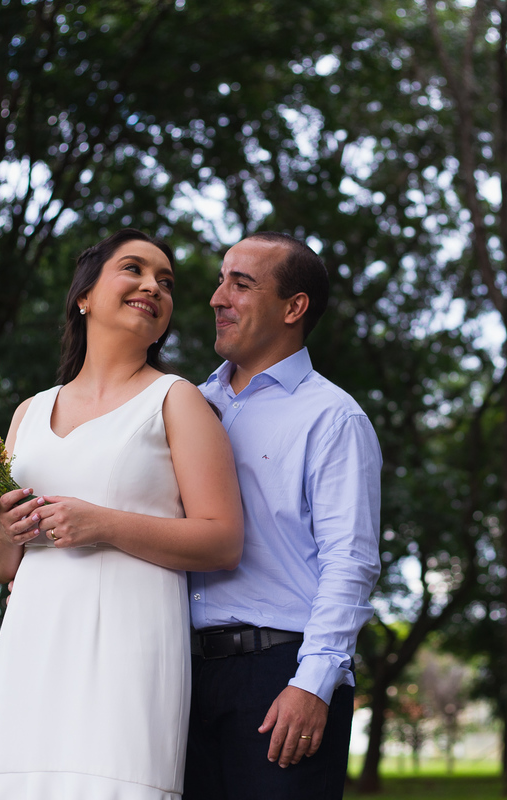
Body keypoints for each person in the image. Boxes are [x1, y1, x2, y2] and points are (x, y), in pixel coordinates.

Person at [0, 229, 243, 800]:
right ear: (84, 296)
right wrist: (2, 529)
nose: (153, 286)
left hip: (128, 652)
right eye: (135, 269)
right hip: (32, 650)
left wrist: (103, 524)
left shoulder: (176, 399)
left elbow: (223, 541)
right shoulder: (31, 410)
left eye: (165, 282)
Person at [185, 233, 382, 800]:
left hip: (279, 677)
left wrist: (312, 685)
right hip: (182, 678)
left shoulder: (333, 417)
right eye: (221, 281)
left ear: (294, 307)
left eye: (241, 284)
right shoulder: (189, 406)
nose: (219, 297)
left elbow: (351, 561)